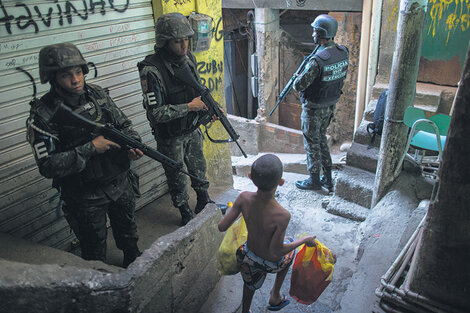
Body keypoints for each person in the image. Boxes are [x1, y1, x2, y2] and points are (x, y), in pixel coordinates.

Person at [26, 43, 143, 268]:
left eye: (79, 72)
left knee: (129, 236)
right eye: (66, 75)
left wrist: (132, 143)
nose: (76, 79)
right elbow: (47, 166)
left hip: (119, 183)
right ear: (52, 77)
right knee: (94, 252)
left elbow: (124, 124)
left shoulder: (97, 94)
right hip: (84, 196)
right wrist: (90, 147)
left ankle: (133, 264)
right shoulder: (43, 115)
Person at [137, 12, 213, 226]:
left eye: (186, 39)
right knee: (177, 177)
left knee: (199, 168)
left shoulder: (188, 58)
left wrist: (209, 109)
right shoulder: (151, 70)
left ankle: (203, 200)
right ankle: (184, 211)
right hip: (170, 136)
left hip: (191, 129)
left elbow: (198, 91)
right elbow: (156, 113)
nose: (184, 45)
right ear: (164, 42)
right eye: (177, 41)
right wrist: (189, 107)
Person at [218, 154, 317, 313]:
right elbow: (276, 251)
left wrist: (238, 210)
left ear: (250, 177)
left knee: (249, 284)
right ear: (281, 183)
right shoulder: (282, 215)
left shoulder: (243, 198)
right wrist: (304, 240)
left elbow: (222, 227)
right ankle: (275, 296)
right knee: (290, 247)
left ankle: (245, 311)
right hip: (270, 263)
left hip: (246, 257)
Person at [293, 14, 349, 192]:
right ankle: (328, 178)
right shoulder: (342, 52)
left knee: (312, 143)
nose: (312, 35)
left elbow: (299, 85)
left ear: (320, 32)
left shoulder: (317, 60)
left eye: (314, 31)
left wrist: (296, 78)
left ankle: (314, 180)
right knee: (322, 140)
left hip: (313, 109)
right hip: (329, 105)